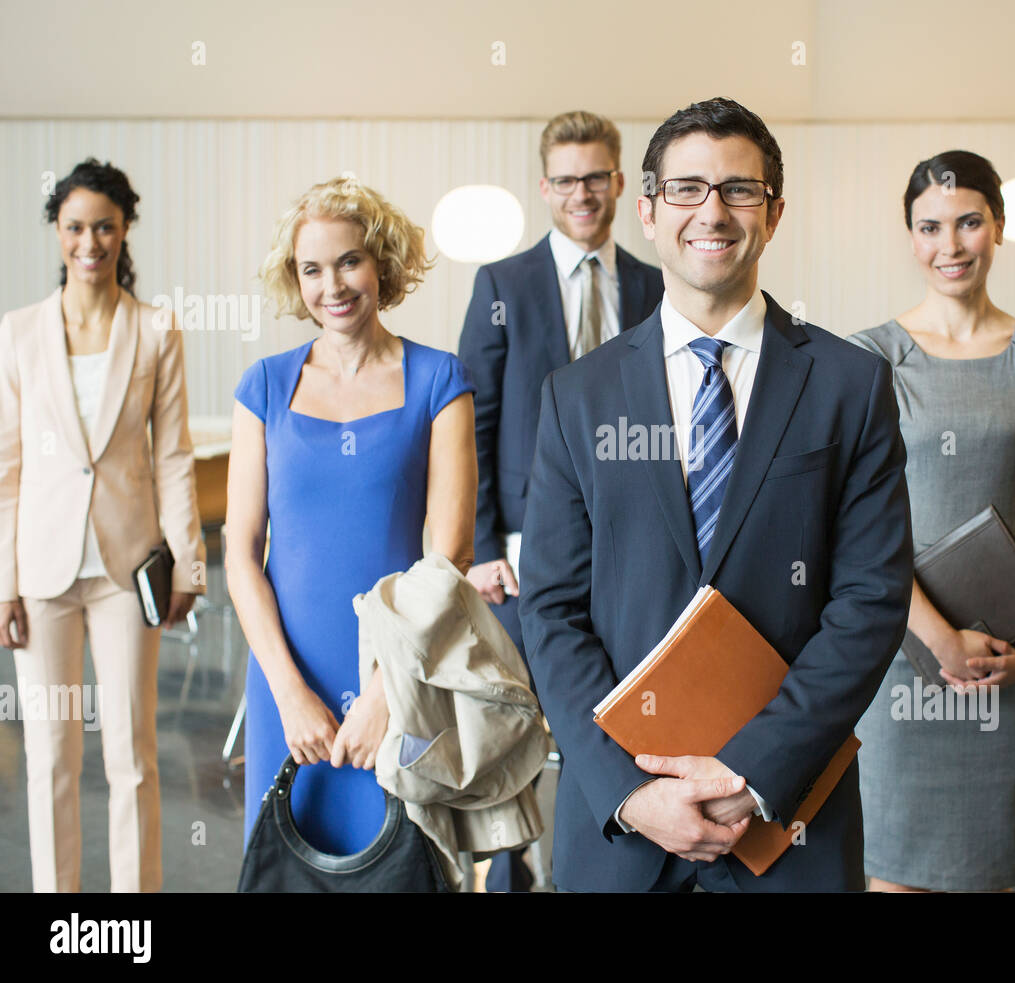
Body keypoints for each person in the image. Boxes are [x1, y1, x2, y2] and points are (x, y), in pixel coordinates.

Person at [519, 97, 913, 892]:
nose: (714, 211)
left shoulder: (849, 385)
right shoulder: (577, 396)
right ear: (651, 209)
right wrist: (633, 793)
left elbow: (871, 599)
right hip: (623, 836)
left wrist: (751, 771)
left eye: (740, 189)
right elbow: (550, 611)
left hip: (789, 823)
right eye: (689, 188)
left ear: (774, 213)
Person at [849, 151, 1015, 891]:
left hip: (1008, 657)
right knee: (892, 866)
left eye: (968, 222)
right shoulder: (870, 358)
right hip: (901, 653)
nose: (949, 245)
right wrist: (939, 636)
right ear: (910, 236)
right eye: (929, 227)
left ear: (999, 227)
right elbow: (860, 527)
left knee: (990, 870)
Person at [225, 175, 477, 860]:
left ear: (383, 264)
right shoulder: (265, 386)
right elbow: (241, 552)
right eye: (311, 268)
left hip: (400, 674)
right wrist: (288, 692)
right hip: (286, 673)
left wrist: (384, 695)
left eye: (349, 261)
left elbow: (449, 555)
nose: (331, 284)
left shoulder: (439, 379)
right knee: (289, 866)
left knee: (396, 866)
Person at [457, 109, 662, 891]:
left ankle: (606, 860)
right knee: (515, 723)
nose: (584, 193)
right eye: (568, 179)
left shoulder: (652, 283)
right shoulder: (501, 285)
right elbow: (476, 423)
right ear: (546, 187)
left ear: (620, 184)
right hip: (519, 547)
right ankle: (510, 877)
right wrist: (479, 547)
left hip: (632, 541)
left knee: (609, 716)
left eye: (598, 177)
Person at [0, 159, 205, 892]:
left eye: (105, 227)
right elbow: (7, 471)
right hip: (40, 573)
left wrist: (188, 563)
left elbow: (175, 457)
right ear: (58, 233)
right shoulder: (18, 333)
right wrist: (3, 584)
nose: (91, 241)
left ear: (125, 231)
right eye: (77, 227)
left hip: (128, 572)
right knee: (51, 755)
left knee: (131, 754)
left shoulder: (155, 331)